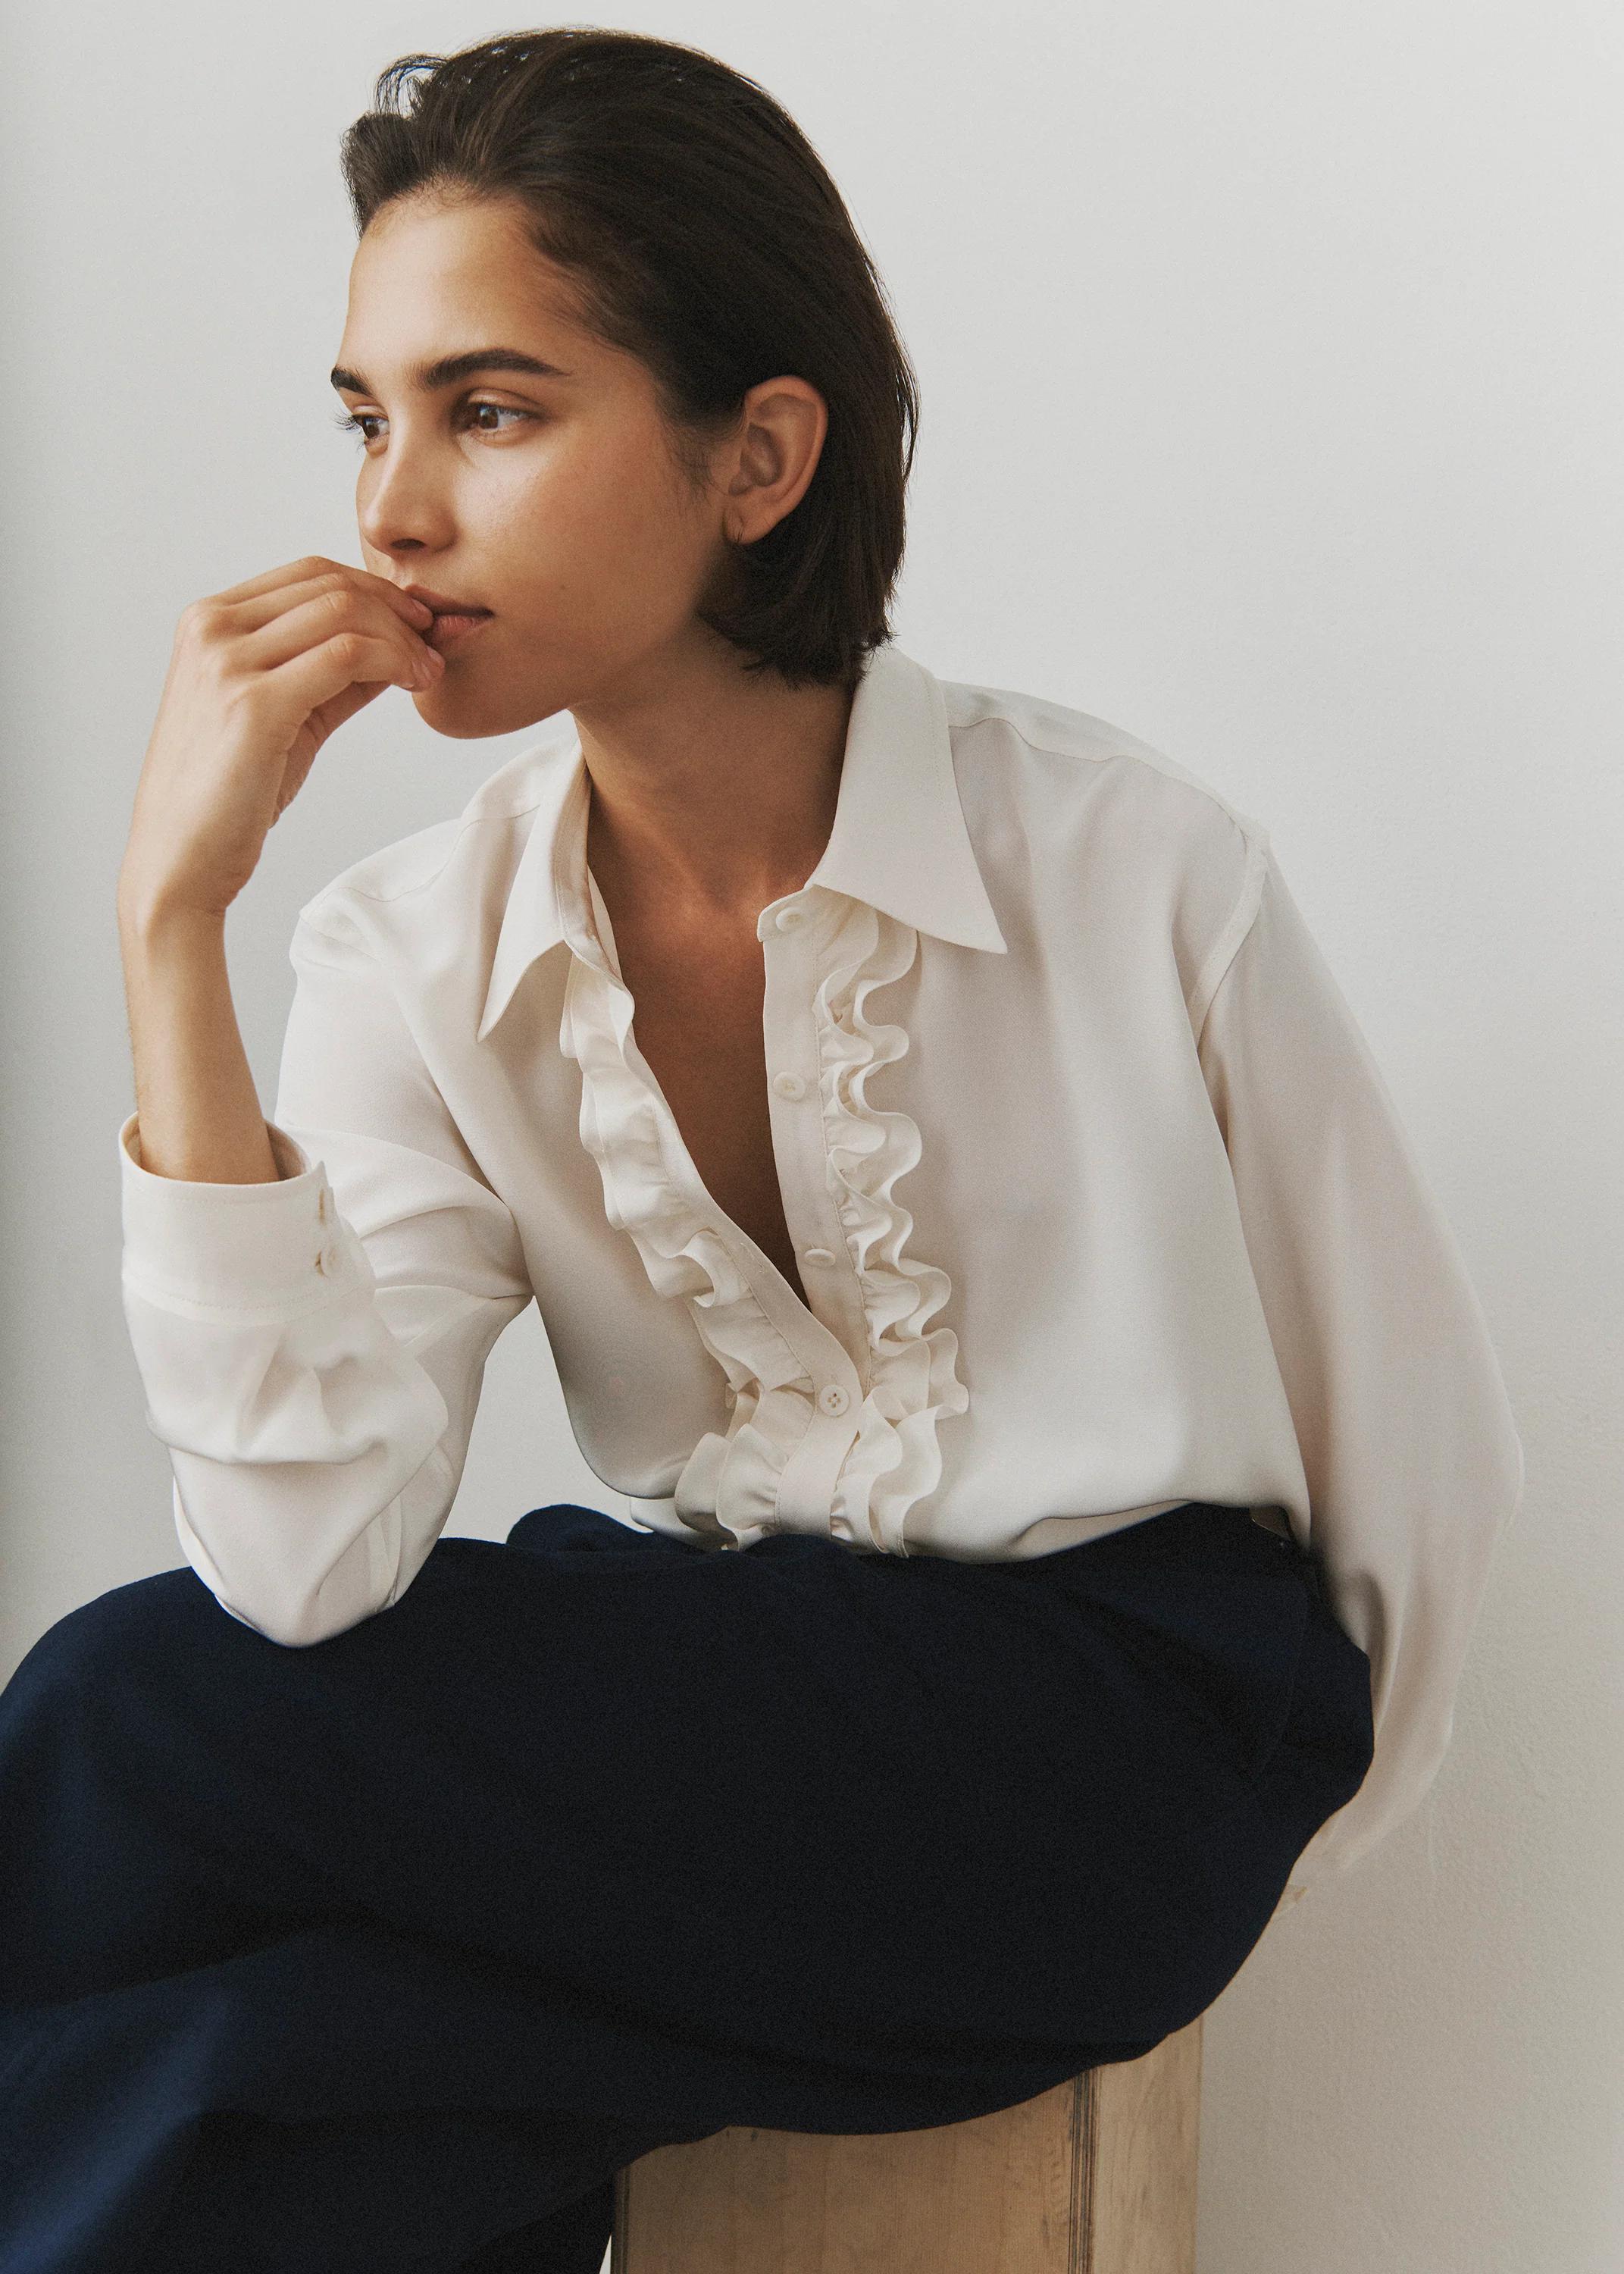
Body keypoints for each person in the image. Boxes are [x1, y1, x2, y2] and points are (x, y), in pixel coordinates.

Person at [0, 26, 1522, 2274]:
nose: (391, 511)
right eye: (366, 418)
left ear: (758, 456)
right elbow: (309, 1564)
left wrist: (1225, 1878)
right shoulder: (410, 952)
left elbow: (1413, 1470)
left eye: (489, 411)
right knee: (272, 2064)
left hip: (1112, 1742)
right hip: (739, 1715)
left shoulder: (1128, 862)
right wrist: (170, 924)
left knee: (126, 1720)